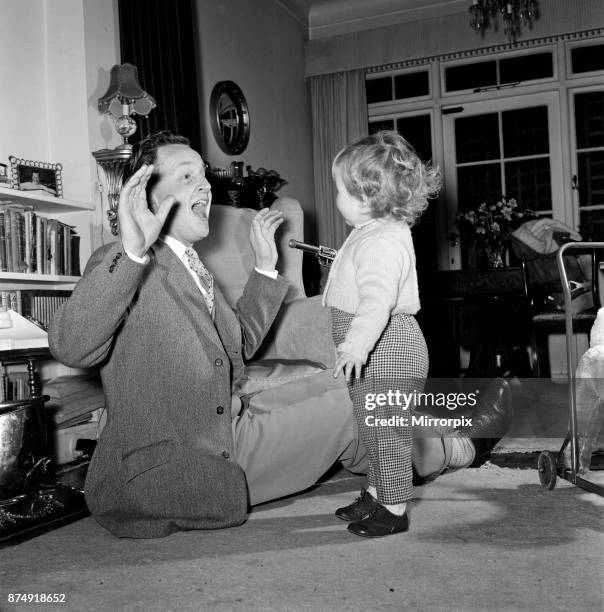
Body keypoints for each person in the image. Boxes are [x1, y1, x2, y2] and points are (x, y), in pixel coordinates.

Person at [49, 130, 512, 539]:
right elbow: (71, 346)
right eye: (187, 176)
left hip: (225, 418)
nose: (206, 184)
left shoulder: (192, 267)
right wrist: (131, 250)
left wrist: (264, 267)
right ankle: (456, 449)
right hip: (189, 457)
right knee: (359, 403)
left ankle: (396, 469)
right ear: (145, 197)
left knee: (344, 381)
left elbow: (238, 349)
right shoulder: (123, 262)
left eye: (203, 175)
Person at [323, 130, 448, 537]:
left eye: (339, 190)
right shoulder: (370, 234)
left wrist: (356, 345)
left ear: (365, 196)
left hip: (387, 347)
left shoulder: (382, 241)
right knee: (372, 427)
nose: (335, 197)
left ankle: (394, 509)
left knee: (388, 430)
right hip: (374, 352)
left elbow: (376, 301)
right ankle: (379, 493)